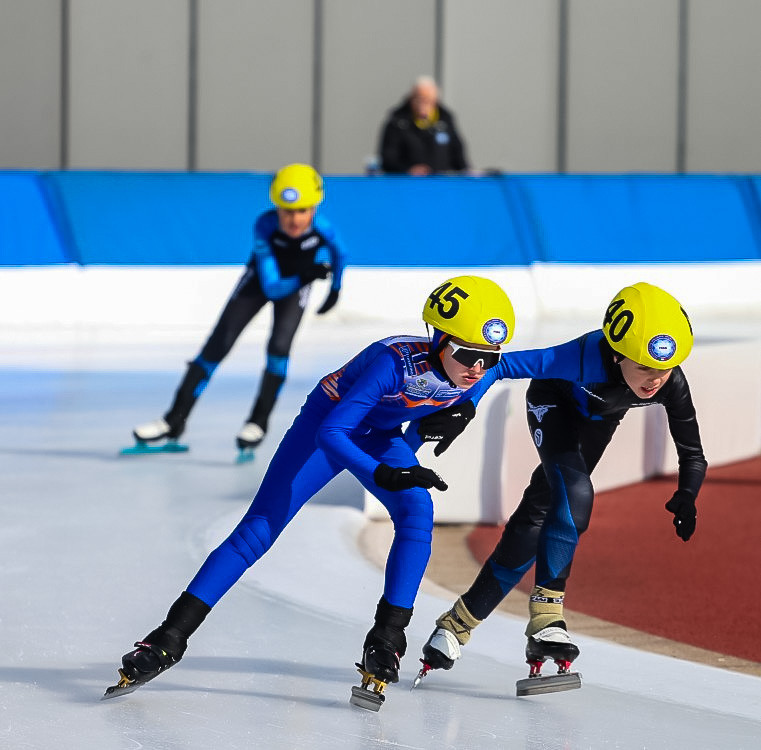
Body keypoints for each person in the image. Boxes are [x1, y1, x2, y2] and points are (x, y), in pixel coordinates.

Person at [107, 275, 518, 699]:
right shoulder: (393, 363)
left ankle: (387, 638)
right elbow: (332, 433)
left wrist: (467, 407)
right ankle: (169, 636)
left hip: (379, 435)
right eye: (467, 354)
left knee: (417, 511)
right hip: (327, 427)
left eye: (488, 357)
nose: (477, 368)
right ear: (438, 340)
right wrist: (383, 474)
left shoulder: (477, 368)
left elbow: (532, 363)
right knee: (259, 529)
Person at [413, 282, 707, 683]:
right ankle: (547, 616)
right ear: (617, 354)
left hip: (598, 422)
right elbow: (498, 365)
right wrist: (464, 408)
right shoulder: (581, 357)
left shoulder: (671, 381)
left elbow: (693, 452)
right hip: (552, 404)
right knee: (576, 492)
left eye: (664, 369)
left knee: (537, 516)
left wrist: (688, 493)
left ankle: (455, 625)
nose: (655, 380)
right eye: (643, 368)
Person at [130, 163, 347, 452]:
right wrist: (306, 276)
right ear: (276, 209)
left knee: (279, 348)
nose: (294, 219)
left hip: (297, 286)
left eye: (302, 211)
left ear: (314, 209)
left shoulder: (324, 229)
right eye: (286, 211)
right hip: (261, 281)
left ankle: (258, 421)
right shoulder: (264, 226)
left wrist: (335, 289)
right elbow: (272, 286)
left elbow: (341, 254)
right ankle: (174, 420)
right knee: (218, 345)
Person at [378, 76, 469, 175]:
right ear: (411, 99)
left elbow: (457, 154)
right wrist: (408, 170)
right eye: (418, 99)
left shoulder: (445, 120)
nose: (422, 105)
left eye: (428, 100)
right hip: (407, 182)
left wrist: (466, 171)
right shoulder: (398, 122)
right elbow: (388, 159)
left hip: (440, 181)